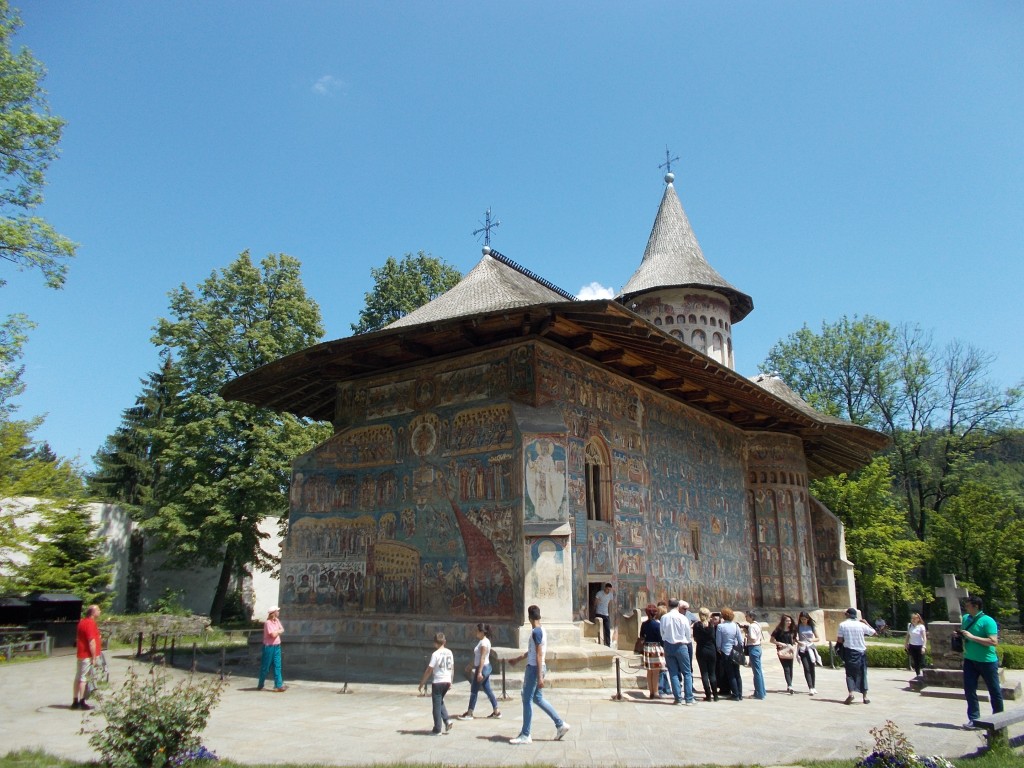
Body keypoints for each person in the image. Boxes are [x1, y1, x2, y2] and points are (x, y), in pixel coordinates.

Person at [508, 605, 570, 744]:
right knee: (537, 698)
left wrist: (540, 676)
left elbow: (539, 654)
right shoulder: (540, 630)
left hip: (534, 669)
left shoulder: (536, 632)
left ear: (529, 618)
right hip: (537, 667)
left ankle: (525, 734)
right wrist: (518, 659)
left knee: (527, 699)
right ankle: (560, 724)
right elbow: (532, 652)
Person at [959, 596, 1004, 730]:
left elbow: (993, 641)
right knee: (969, 689)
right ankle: (974, 719)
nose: (965, 608)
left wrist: (972, 637)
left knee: (994, 690)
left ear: (976, 606)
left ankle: (999, 719)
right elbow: (965, 636)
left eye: (968, 605)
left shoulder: (988, 621)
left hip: (987, 661)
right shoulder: (966, 618)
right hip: (970, 660)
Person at [458, 623, 501, 720]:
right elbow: (477, 657)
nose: (475, 632)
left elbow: (482, 658)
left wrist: (479, 672)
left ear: (482, 632)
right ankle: (496, 711)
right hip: (484, 667)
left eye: (477, 630)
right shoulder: (482, 641)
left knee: (474, 690)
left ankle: (470, 713)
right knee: (487, 689)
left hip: (482, 668)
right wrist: (470, 665)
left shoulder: (484, 643)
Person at [836, 607, 875, 704]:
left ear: (848, 615)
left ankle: (851, 694)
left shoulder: (843, 625)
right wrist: (866, 623)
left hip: (850, 651)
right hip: (861, 652)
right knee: (863, 673)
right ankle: (865, 697)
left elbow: (840, 640)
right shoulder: (861, 625)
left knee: (850, 674)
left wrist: (838, 648)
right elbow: (874, 633)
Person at [660, 598, 696, 705]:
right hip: (681, 645)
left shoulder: (664, 617)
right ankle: (689, 698)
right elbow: (688, 634)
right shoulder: (683, 617)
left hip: (668, 645)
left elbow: (662, 632)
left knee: (673, 673)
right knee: (687, 672)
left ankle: (678, 699)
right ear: (678, 606)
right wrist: (687, 642)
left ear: (668, 605)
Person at [419, 632, 454, 735]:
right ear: (445, 642)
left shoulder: (435, 654)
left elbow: (429, 670)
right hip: (447, 681)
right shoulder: (449, 652)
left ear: (435, 643)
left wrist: (422, 682)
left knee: (436, 705)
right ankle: (447, 720)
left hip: (438, 681)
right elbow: (452, 667)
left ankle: (437, 728)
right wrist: (451, 680)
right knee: (440, 701)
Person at [72, 604, 102, 710]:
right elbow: (91, 641)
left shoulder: (82, 622)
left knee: (78, 676)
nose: (100, 611)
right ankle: (82, 701)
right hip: (87, 654)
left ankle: (75, 700)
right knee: (83, 678)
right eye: (98, 610)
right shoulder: (90, 623)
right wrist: (94, 657)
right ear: (93, 612)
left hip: (81, 653)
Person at [715, 607, 744, 701]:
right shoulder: (735, 625)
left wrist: (719, 649)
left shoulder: (720, 626)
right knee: (737, 673)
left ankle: (735, 694)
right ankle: (740, 693)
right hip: (735, 651)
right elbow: (740, 640)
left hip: (726, 651)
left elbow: (718, 641)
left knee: (731, 674)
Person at [638, 604, 666, 698]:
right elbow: (660, 638)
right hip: (656, 648)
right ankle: (656, 692)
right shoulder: (657, 625)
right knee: (656, 672)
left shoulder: (644, 624)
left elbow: (642, 636)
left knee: (649, 671)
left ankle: (651, 692)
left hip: (647, 647)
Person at [257, 606, 287, 692]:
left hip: (277, 645)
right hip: (269, 646)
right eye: (277, 611)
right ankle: (260, 684)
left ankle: (278, 685)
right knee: (266, 667)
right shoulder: (268, 623)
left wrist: (277, 631)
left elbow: (282, 629)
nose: (279, 612)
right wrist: (278, 631)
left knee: (277, 666)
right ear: (273, 613)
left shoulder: (276, 621)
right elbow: (273, 635)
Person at [692, 606, 718, 701]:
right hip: (711, 650)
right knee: (712, 673)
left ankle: (708, 695)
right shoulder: (711, 626)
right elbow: (714, 638)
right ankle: (715, 695)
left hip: (701, 650)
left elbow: (695, 638)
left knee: (704, 673)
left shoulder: (697, 625)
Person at [770, 614, 797, 694]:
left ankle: (790, 684)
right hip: (782, 650)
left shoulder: (792, 630)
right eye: (787, 621)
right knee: (786, 668)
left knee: (790, 668)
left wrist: (796, 643)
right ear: (783, 622)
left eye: (790, 621)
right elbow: (772, 640)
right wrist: (780, 643)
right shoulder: (778, 630)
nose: (789, 622)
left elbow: (794, 639)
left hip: (790, 650)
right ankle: (790, 685)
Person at [795, 611, 819, 695]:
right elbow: (794, 638)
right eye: (801, 619)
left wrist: (812, 640)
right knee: (806, 667)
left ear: (808, 619)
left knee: (812, 667)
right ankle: (810, 687)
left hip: (810, 647)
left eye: (804, 619)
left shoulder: (811, 626)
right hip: (802, 648)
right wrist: (798, 642)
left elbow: (817, 638)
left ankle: (813, 686)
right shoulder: (798, 627)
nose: (803, 621)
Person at [744, 610, 766, 700]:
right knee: (759, 671)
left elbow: (752, 639)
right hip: (758, 647)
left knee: (756, 672)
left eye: (747, 616)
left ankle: (759, 693)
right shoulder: (757, 624)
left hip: (753, 647)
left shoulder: (752, 626)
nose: (745, 617)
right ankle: (762, 691)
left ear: (751, 617)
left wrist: (747, 634)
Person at [905, 613, 928, 679]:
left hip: (920, 646)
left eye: (914, 618)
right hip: (912, 645)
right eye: (912, 618)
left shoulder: (921, 626)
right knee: (916, 662)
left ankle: (926, 675)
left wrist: (924, 646)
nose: (913, 620)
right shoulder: (910, 626)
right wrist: (906, 644)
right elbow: (908, 635)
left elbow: (924, 637)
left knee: (922, 662)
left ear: (918, 619)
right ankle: (918, 675)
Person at [656, 602, 671, 696]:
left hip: (662, 647)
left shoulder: (660, 623)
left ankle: (661, 688)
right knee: (663, 668)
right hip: (666, 646)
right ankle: (667, 688)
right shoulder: (666, 622)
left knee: (662, 669)